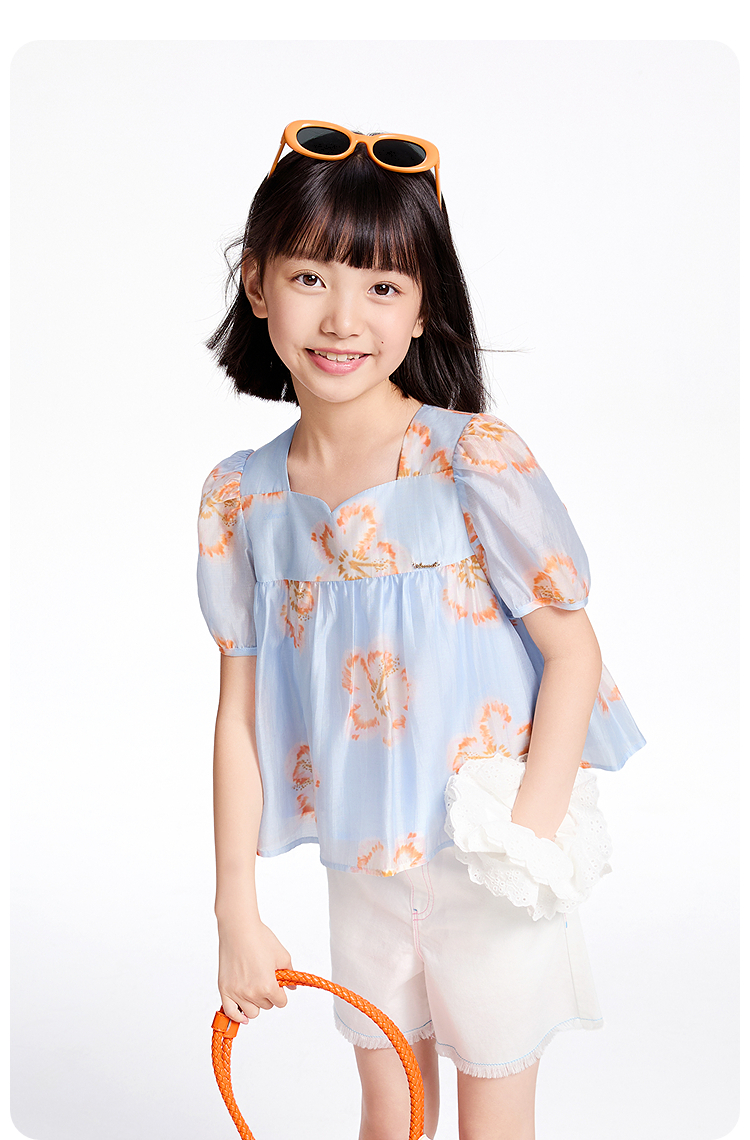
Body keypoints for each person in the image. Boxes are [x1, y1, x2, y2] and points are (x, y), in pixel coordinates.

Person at [197, 121, 646, 1140]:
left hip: (484, 851)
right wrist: (235, 909)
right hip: (359, 859)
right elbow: (238, 715)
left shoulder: (470, 460)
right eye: (310, 277)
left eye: (383, 286)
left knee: (494, 1113)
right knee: (388, 1108)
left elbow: (573, 652)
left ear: (424, 304)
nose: (342, 317)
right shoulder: (242, 498)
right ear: (258, 283)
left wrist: (523, 841)